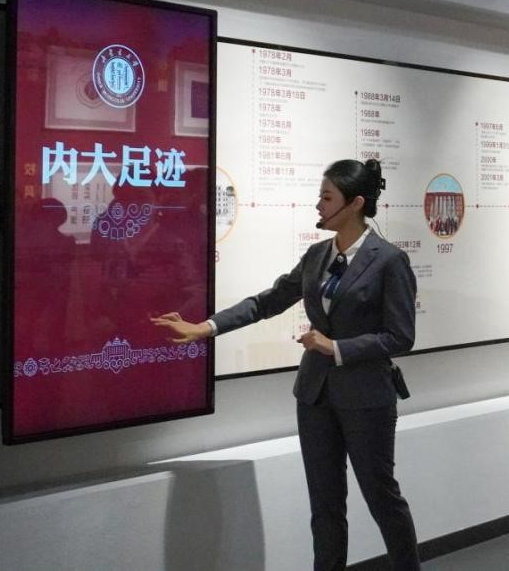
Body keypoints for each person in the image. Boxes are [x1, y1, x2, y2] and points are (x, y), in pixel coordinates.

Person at [153, 159, 420, 571]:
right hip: (314, 396)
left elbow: (400, 336)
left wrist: (337, 347)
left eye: (327, 197)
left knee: (381, 497)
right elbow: (268, 301)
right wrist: (205, 328)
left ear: (355, 204)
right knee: (324, 505)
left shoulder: (389, 260)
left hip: (367, 397)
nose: (318, 205)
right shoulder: (317, 255)